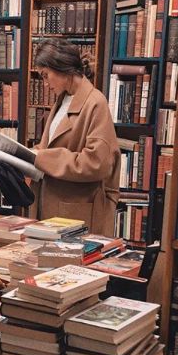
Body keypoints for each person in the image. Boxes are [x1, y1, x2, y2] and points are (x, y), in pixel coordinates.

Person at [29, 38, 121, 236]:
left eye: (46, 76)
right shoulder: (62, 101)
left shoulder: (95, 103)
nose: (44, 84)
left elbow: (96, 163)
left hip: (76, 212)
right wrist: (28, 155)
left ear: (61, 67)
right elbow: (50, 147)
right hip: (51, 206)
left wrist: (42, 158)